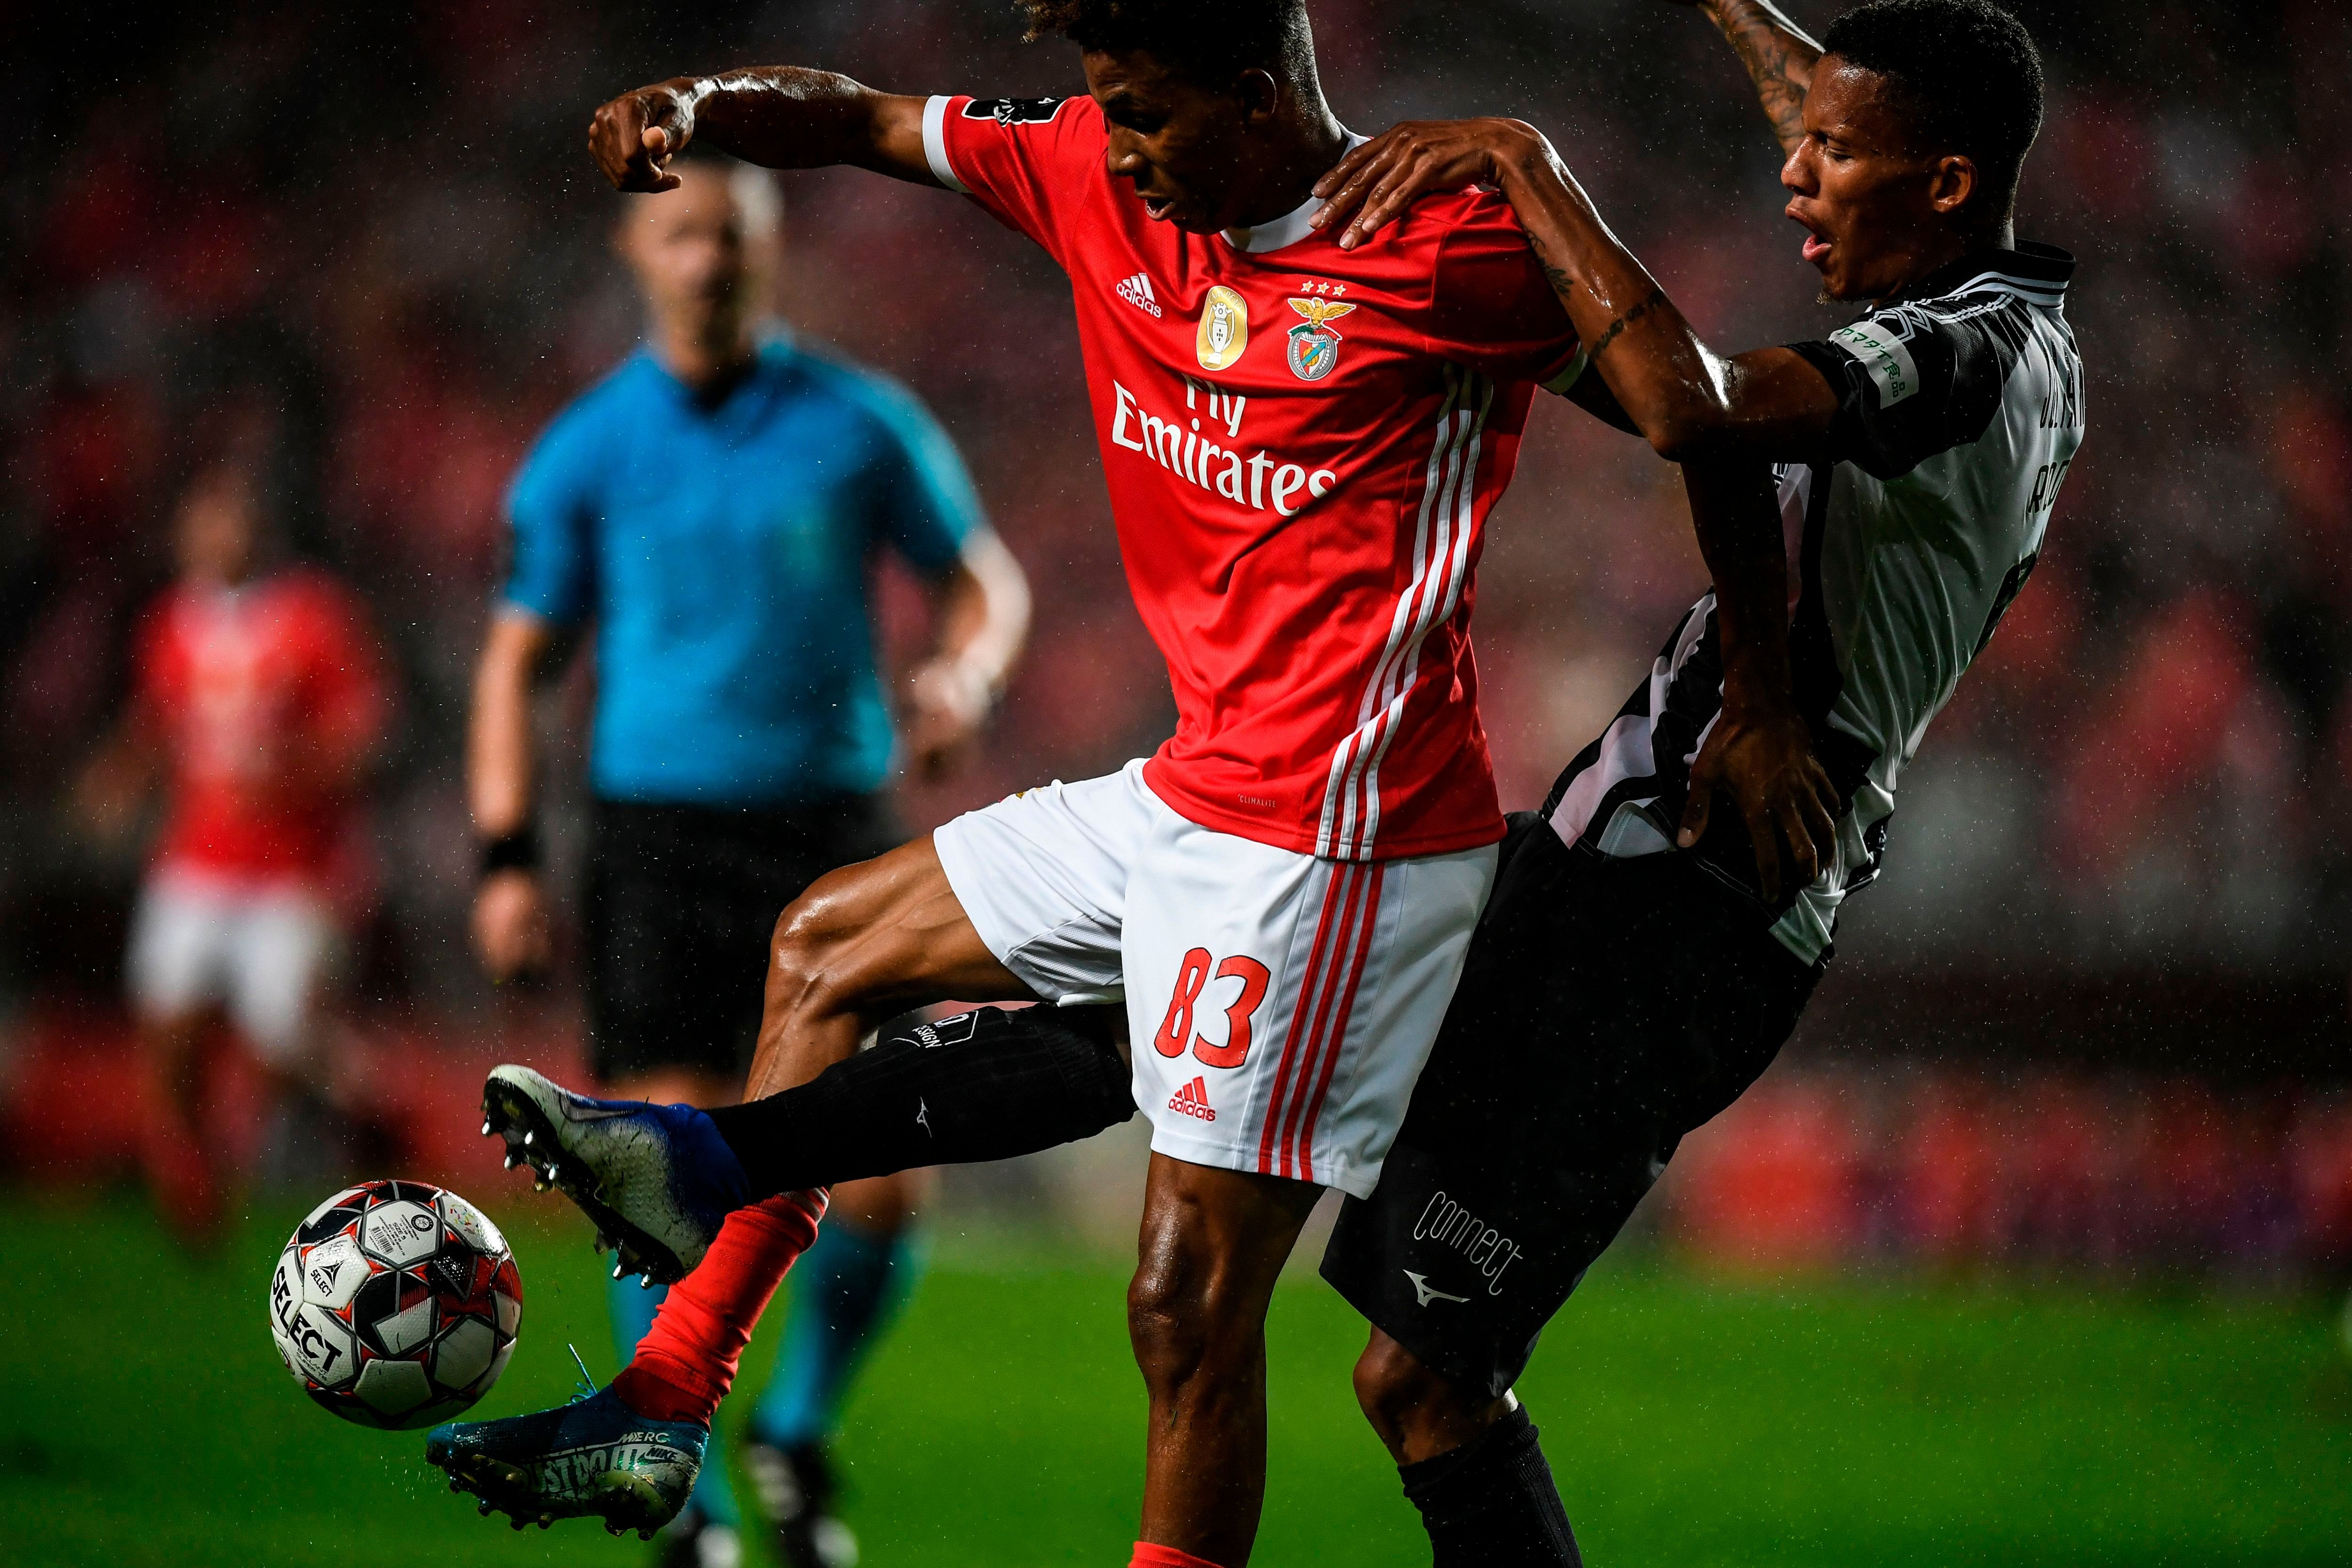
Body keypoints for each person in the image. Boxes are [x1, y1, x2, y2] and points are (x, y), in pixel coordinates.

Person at [436, 0, 2081, 1562]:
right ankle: (673, 1377)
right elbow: (868, 117)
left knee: (1275, 1327)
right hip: (1302, 809)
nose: (1119, 137)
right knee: (832, 947)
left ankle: (716, 1176)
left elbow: (1697, 412)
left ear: (1252, 92)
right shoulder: (1088, 163)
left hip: (1447, 857)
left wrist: (1526, 163)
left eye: (1148, 105)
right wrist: (698, 107)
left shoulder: (1899, 333)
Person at [466, 154, 1030, 1568]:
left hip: (831, 839)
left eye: (731, 232)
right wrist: (507, 855)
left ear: (766, 251)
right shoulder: (589, 449)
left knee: (886, 1176)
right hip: (657, 836)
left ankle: (792, 1429)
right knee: (672, 1164)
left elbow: (985, 576)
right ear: (636, 251)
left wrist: (961, 675)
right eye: (682, 234)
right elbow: (516, 660)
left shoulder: (857, 424)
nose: (708, 258)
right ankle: (692, 1507)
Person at [77, 459, 392, 1244]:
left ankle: (364, 1102)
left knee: (279, 1043)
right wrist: (118, 776)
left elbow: (367, 728)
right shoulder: (170, 624)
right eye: (205, 519)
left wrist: (302, 771)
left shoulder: (312, 615)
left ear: (261, 528)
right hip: (195, 860)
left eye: (232, 518)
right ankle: (189, 1178)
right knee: (168, 1028)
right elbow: (161, 721)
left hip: (292, 868)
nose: (219, 534)